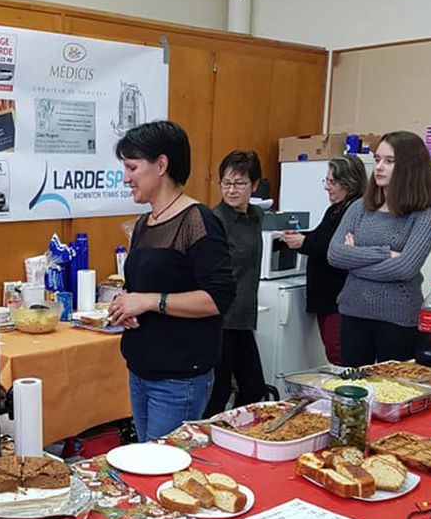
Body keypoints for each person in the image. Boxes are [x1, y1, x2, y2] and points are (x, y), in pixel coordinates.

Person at [108, 120, 235, 442]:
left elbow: (218, 298)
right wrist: (126, 303)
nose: (126, 178)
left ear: (161, 165)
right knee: (146, 462)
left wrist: (150, 301)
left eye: (132, 167)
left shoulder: (198, 221)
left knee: (163, 470)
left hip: (179, 378)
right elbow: (139, 285)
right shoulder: (144, 223)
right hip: (140, 369)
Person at [327, 131, 431, 366]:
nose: (379, 167)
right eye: (378, 159)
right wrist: (384, 253)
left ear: (410, 167)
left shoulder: (427, 212)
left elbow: (404, 268)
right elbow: (335, 254)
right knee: (354, 388)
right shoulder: (360, 206)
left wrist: (355, 261)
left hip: (398, 319)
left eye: (389, 161)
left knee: (392, 392)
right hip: (353, 312)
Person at [280, 156, 368, 365]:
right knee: (333, 351)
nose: (327, 188)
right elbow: (320, 238)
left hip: (338, 297)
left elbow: (334, 249)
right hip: (325, 298)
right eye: (326, 181)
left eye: (332, 182)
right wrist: (300, 237)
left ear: (349, 182)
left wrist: (304, 242)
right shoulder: (334, 209)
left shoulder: (356, 211)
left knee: (339, 354)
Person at [203, 151, 266, 417]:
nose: (231, 190)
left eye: (239, 183)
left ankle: (236, 437)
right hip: (220, 320)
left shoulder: (256, 216)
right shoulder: (214, 221)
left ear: (254, 185)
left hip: (243, 318)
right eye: (226, 183)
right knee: (217, 394)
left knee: (254, 389)